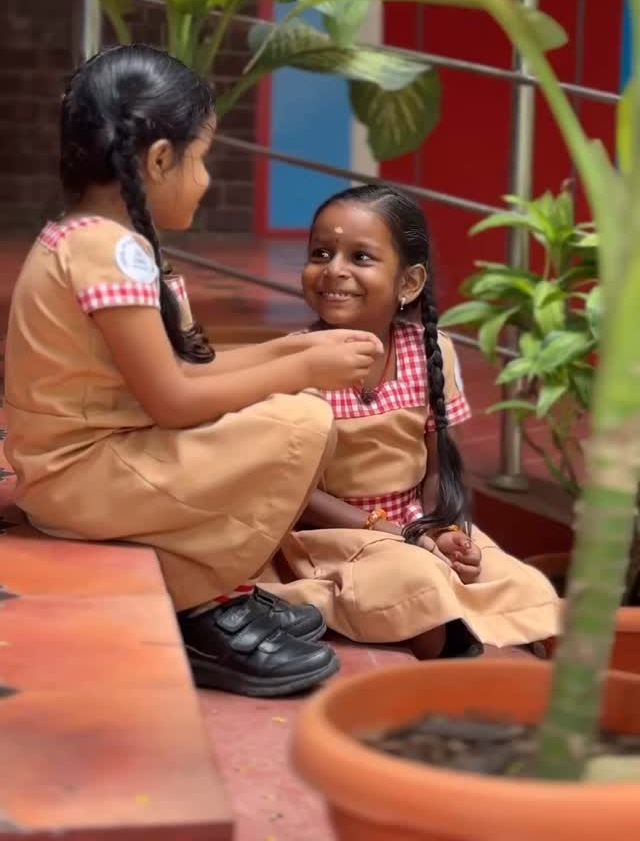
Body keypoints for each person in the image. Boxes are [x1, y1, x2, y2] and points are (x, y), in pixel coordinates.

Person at [3, 44, 386, 697]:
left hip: (90, 464)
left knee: (288, 411)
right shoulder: (111, 252)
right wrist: (300, 373)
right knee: (296, 424)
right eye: (202, 157)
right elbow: (175, 400)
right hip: (83, 477)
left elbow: (182, 369)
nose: (206, 178)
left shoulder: (94, 240)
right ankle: (203, 604)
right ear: (158, 160)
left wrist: (294, 352)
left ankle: (220, 589)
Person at [259, 185, 559, 658]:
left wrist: (442, 530)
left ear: (409, 283)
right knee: (421, 585)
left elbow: (439, 468)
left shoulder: (431, 352)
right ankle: (431, 671)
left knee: (521, 584)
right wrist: (391, 533)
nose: (334, 269)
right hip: (332, 534)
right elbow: (297, 492)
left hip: (416, 524)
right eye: (321, 252)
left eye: (360, 257)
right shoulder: (294, 362)